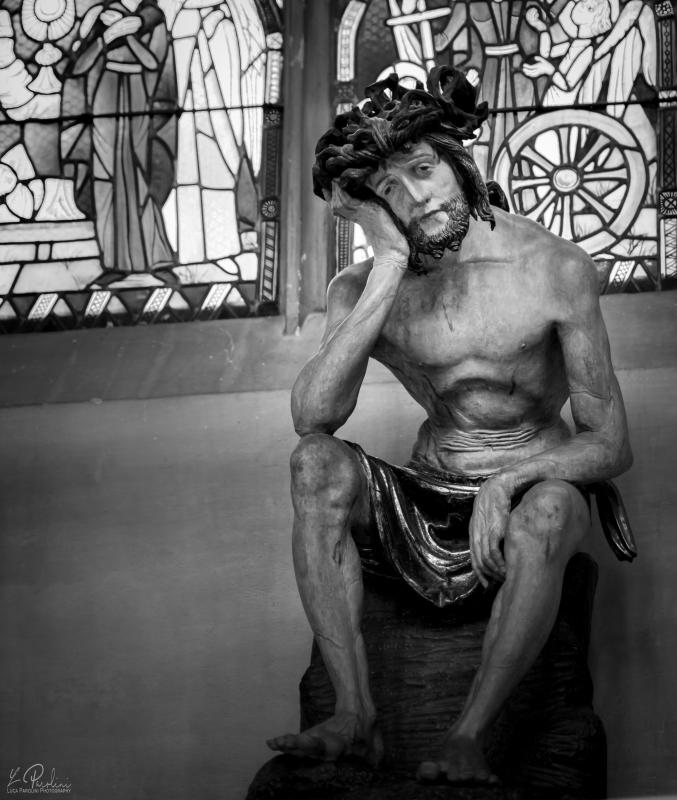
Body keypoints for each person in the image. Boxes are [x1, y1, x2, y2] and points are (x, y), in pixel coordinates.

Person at [266, 68, 633, 785]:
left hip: (531, 483)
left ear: (456, 160)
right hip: (429, 488)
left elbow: (610, 443)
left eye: (424, 169)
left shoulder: (552, 270)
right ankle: (352, 715)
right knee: (313, 463)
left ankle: (468, 736)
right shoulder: (371, 288)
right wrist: (388, 264)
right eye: (390, 190)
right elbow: (312, 418)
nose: (418, 197)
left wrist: (511, 479)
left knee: (553, 508)